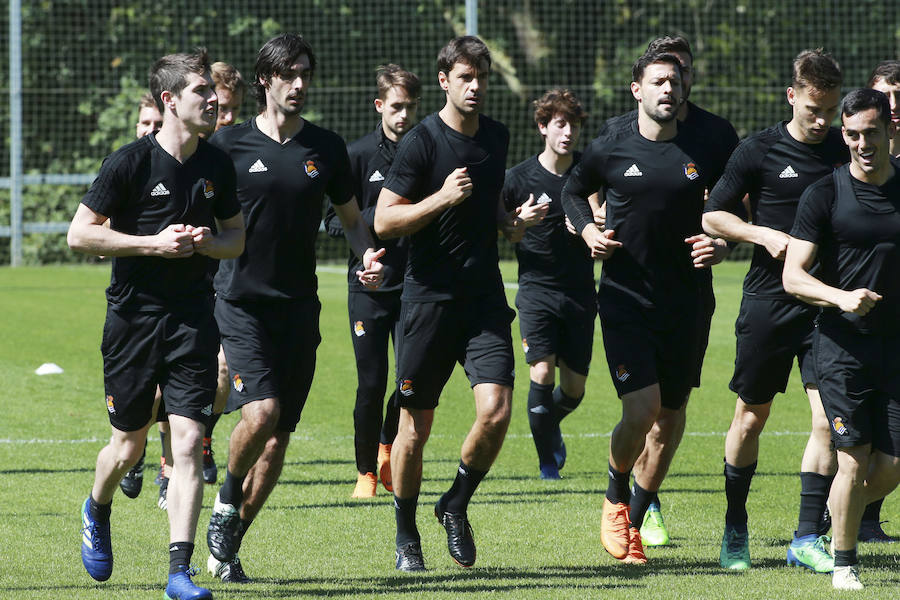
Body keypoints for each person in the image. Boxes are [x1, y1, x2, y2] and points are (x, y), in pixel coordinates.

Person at [204, 33, 384, 584]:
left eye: (306, 74)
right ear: (266, 79)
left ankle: (228, 548)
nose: (300, 84)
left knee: (278, 438)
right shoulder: (227, 146)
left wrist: (367, 256)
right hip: (240, 303)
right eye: (290, 74)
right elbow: (198, 215)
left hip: (299, 309)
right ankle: (225, 500)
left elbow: (352, 219)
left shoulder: (325, 148)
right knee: (260, 413)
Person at [69, 48, 245, 600]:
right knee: (127, 447)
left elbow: (236, 237)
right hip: (133, 321)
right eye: (201, 91)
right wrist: (154, 244)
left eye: (212, 90)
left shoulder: (217, 165)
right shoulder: (129, 163)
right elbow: (80, 234)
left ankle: (179, 573)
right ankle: (97, 507)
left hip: (193, 320)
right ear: (169, 100)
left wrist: (208, 243)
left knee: (188, 441)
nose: (213, 98)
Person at [561, 50, 729, 565]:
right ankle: (615, 497)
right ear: (637, 89)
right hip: (625, 297)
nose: (668, 89)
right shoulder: (611, 144)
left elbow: (735, 210)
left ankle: (635, 517)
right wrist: (588, 231)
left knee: (671, 416)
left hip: (688, 301)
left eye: (674, 81)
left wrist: (723, 245)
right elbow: (572, 192)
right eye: (657, 81)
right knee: (642, 408)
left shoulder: (707, 144)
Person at [375, 35, 522, 572]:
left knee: (496, 411)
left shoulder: (497, 137)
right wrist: (440, 197)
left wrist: (512, 224)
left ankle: (455, 503)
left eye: (481, 77)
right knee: (414, 429)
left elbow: (491, 207)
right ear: (444, 81)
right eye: (465, 77)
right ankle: (406, 532)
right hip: (428, 302)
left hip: (483, 299)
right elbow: (384, 220)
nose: (475, 86)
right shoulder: (421, 142)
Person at [702, 49, 847, 571]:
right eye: (813, 108)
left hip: (825, 304)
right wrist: (760, 234)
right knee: (751, 417)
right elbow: (713, 216)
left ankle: (806, 537)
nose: (822, 120)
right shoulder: (758, 150)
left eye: (829, 110)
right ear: (792, 96)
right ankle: (735, 525)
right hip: (769, 301)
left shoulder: (845, 150)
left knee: (828, 422)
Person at [783, 87, 900, 590]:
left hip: (895, 347)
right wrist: (840, 297)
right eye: (851, 135)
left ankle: (834, 516)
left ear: (890, 128)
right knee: (852, 456)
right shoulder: (825, 193)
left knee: (892, 464)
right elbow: (793, 276)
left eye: (870, 133)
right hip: (841, 346)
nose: (861, 144)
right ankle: (844, 563)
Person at [324, 64, 420, 498]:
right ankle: (365, 472)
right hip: (368, 286)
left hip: (415, 285)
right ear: (379, 105)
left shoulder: (427, 151)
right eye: (396, 107)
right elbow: (333, 220)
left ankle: (387, 446)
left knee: (410, 380)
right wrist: (374, 225)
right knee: (371, 383)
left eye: (410, 107)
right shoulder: (357, 155)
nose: (404, 115)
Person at [501, 88, 596, 480]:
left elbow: (610, 216)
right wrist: (518, 222)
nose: (568, 132)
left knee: (574, 389)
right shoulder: (518, 179)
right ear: (543, 127)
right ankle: (547, 465)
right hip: (536, 291)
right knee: (541, 373)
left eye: (573, 125)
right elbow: (502, 229)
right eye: (560, 124)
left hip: (581, 292)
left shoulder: (590, 173)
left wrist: (592, 223)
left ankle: (547, 422)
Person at [854, 60, 900, 543]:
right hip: (851, 320)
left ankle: (861, 519)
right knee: (849, 433)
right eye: (886, 95)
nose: (894, 105)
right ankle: (835, 523)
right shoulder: (850, 159)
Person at [117, 92, 166, 502]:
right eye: (144, 123)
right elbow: (92, 232)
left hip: (188, 299)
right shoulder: (125, 165)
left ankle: (172, 470)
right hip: (135, 304)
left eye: (157, 123)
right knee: (147, 391)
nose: (150, 130)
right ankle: (135, 449)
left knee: (180, 393)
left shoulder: (193, 166)